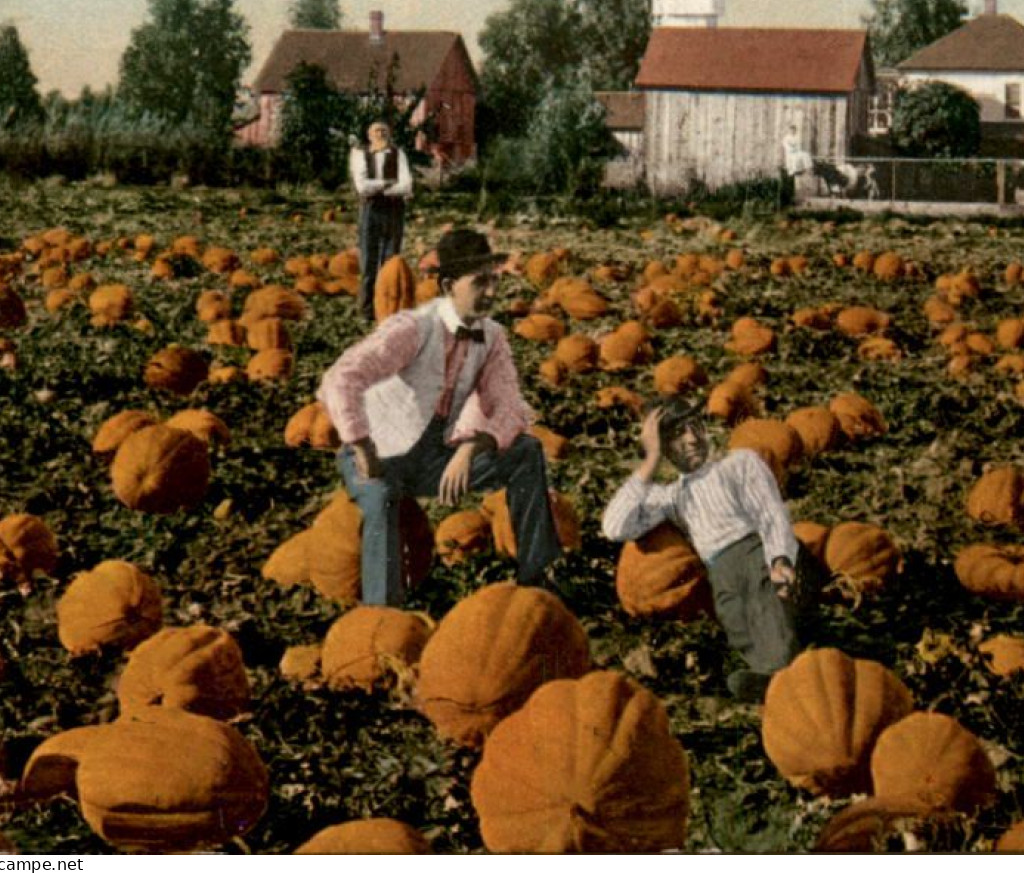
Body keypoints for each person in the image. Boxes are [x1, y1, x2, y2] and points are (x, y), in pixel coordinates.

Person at [319, 227, 562, 606]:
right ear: (449, 285)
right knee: (382, 498)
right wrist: (361, 444)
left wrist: (471, 447)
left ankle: (536, 577)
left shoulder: (492, 337)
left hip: (435, 454)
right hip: (379, 454)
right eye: (480, 283)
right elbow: (341, 378)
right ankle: (383, 610)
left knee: (526, 452)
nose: (493, 292)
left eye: (494, 281)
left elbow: (509, 406)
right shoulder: (412, 329)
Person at [601, 397, 817, 702]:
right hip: (719, 568)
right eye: (676, 434)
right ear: (663, 448)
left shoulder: (739, 463)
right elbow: (614, 526)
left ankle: (783, 672)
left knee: (764, 601)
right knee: (735, 618)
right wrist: (649, 462)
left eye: (694, 427)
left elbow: (771, 514)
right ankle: (768, 673)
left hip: (755, 550)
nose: (690, 439)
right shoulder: (671, 497)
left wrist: (780, 558)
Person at [350, 121, 412, 322]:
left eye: (384, 131)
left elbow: (406, 185)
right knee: (368, 260)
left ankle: (387, 311)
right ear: (370, 136)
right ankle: (366, 310)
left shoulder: (398, 154)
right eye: (376, 131)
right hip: (371, 209)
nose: (381, 134)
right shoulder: (359, 154)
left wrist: (379, 188)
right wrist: (386, 184)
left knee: (391, 260)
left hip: (394, 210)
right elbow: (362, 187)